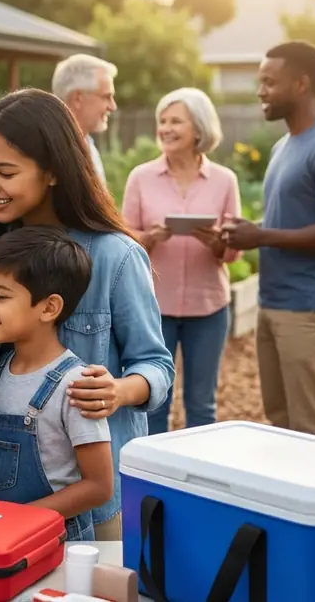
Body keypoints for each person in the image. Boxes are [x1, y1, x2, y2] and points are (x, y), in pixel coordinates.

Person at [0, 88, 174, 540]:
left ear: (52, 173)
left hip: (94, 507)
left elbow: (158, 366)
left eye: (6, 172)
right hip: (7, 494)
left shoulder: (115, 257)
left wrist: (119, 390)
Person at [222, 41, 315, 440]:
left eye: (270, 82)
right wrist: (249, 229)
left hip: (312, 309)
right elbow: (297, 217)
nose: (260, 91)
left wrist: (261, 235)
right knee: (282, 421)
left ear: (301, 84)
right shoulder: (285, 145)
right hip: (277, 302)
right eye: (260, 82)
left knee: (313, 425)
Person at [0, 227, 113, 541]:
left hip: (55, 543)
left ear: (49, 308)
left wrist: (20, 524)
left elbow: (99, 486)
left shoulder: (76, 385)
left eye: (1, 295)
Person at [122, 88, 243, 434]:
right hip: (153, 307)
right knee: (154, 401)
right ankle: (155, 480)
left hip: (209, 309)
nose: (166, 128)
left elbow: (233, 252)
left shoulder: (224, 180)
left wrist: (218, 241)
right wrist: (151, 237)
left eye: (176, 121)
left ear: (199, 129)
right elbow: (123, 241)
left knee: (202, 404)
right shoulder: (140, 177)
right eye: (162, 121)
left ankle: (198, 481)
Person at [52, 54, 118, 182]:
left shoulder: (88, 144)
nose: (113, 106)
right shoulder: (49, 150)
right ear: (78, 97)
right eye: (106, 97)